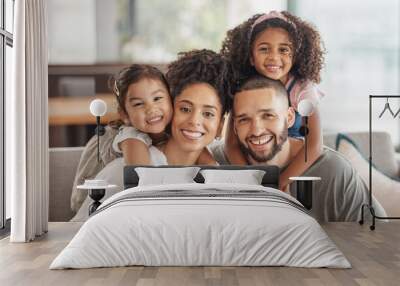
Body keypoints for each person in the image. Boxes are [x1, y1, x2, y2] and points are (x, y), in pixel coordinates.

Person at [71, 49, 230, 221]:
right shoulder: (127, 159)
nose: (194, 121)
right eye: (185, 108)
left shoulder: (209, 159)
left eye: (208, 113)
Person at [209, 75, 386, 222]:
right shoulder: (212, 163)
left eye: (268, 115)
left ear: (290, 117)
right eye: (244, 119)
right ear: (234, 127)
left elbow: (381, 240)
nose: (256, 130)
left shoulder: (333, 171)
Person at [220, 10, 325, 191]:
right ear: (251, 57)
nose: (274, 57)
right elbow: (231, 144)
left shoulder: (302, 89)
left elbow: (314, 145)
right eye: (264, 49)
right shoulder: (244, 90)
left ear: (295, 55)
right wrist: (250, 180)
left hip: (296, 166)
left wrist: (281, 181)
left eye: (283, 50)